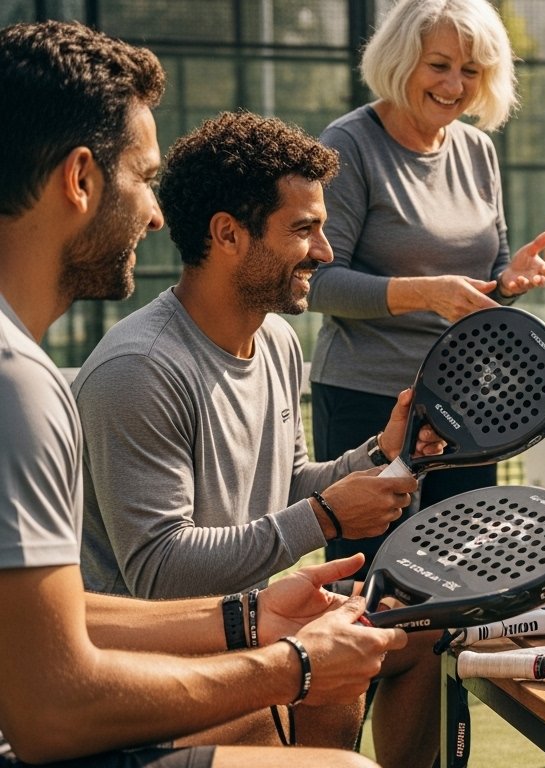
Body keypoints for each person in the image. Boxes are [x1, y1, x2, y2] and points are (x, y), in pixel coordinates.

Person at [0, 21, 402, 768]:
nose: (157, 215)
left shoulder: (275, 342)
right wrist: (289, 656)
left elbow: (57, 616)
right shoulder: (74, 376)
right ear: (81, 179)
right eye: (142, 178)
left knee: (342, 683)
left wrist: (379, 457)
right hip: (97, 710)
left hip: (140, 664)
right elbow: (55, 701)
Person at [75, 111, 445, 765]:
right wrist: (325, 517)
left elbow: (287, 482)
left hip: (251, 618)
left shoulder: (274, 338)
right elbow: (159, 574)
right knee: (331, 687)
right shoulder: (140, 369)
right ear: (228, 234)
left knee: (418, 631)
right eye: (303, 229)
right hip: (149, 660)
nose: (325, 252)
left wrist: (380, 455)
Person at [307, 0, 545, 579]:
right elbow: (316, 281)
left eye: (471, 70)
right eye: (438, 65)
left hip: (469, 405)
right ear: (399, 59)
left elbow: (485, 277)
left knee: (463, 580)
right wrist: (425, 292)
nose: (454, 85)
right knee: (372, 585)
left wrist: (507, 283)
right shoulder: (349, 144)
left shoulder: (477, 150)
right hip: (368, 402)